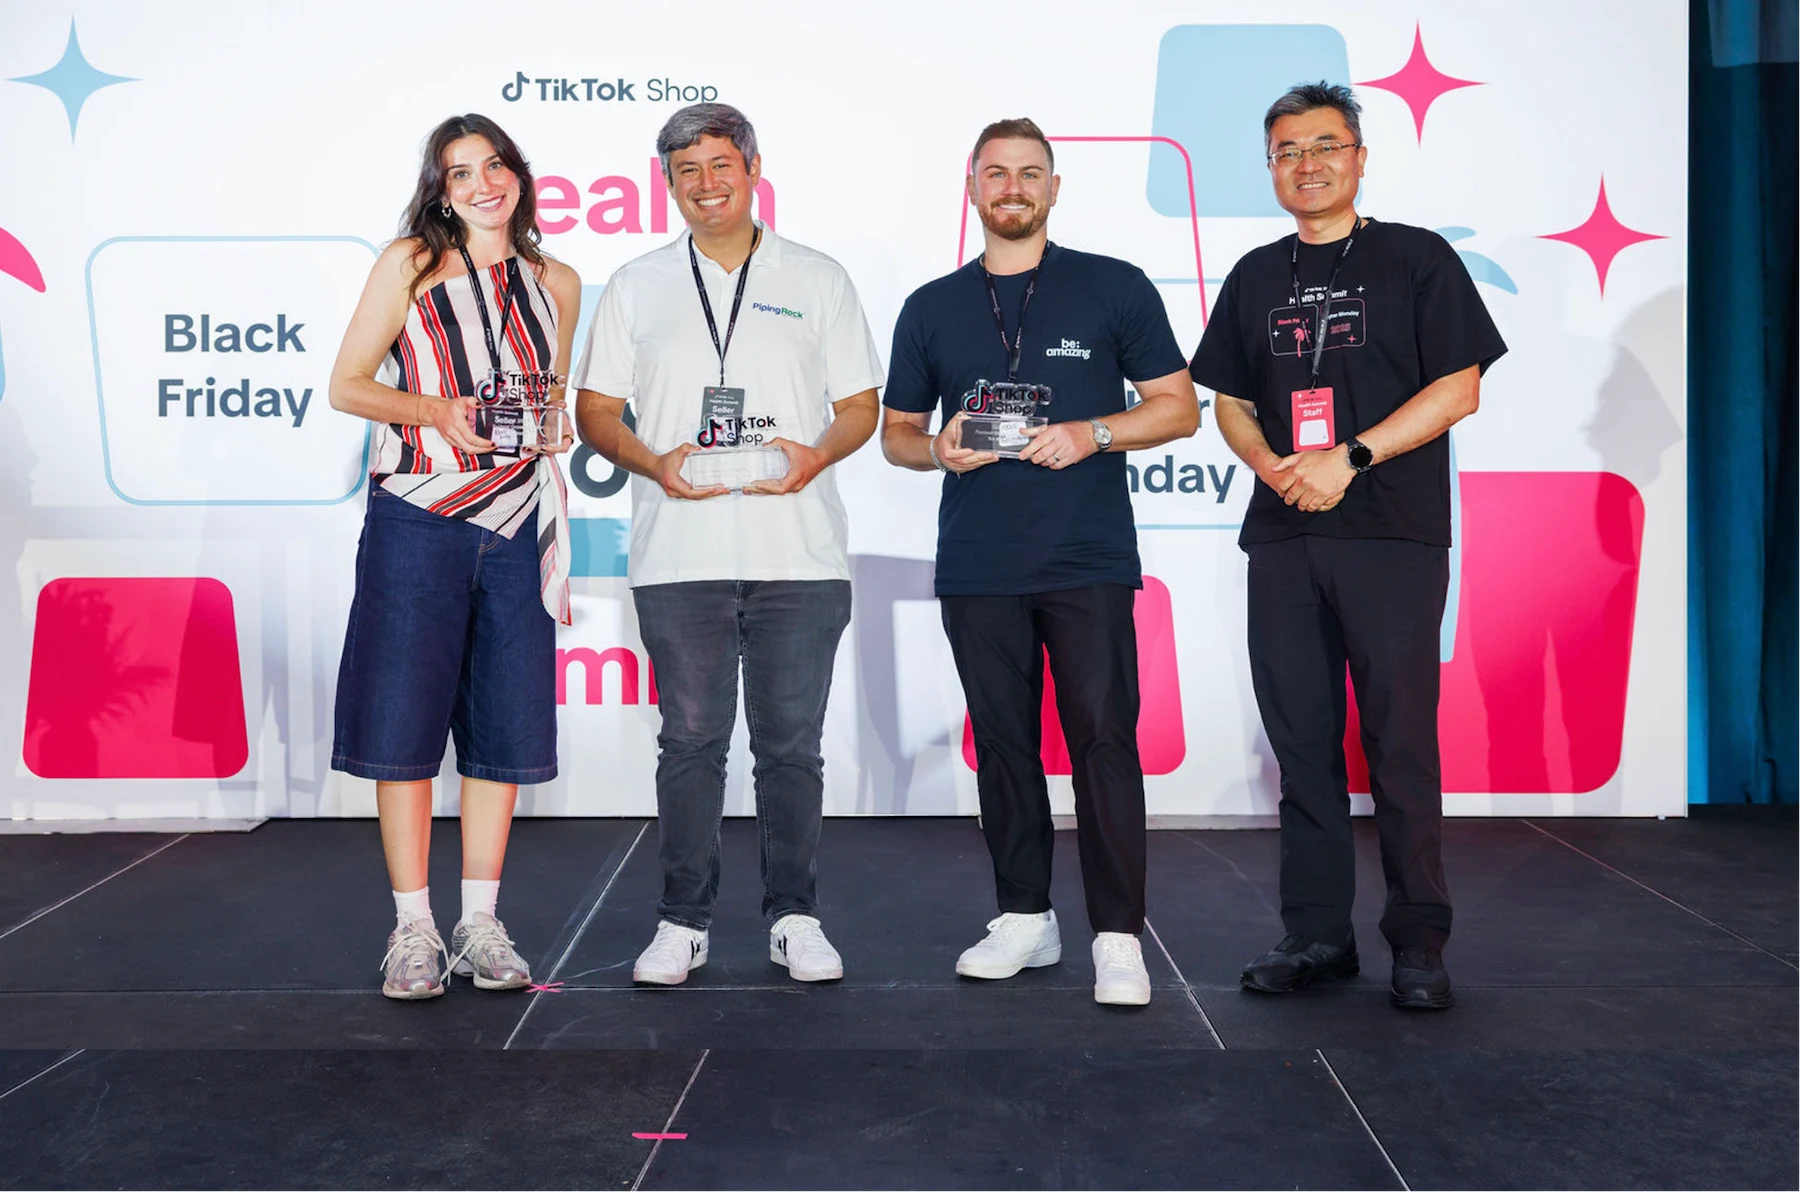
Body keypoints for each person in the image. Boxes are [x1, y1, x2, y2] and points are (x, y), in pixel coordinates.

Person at [1188, 82, 1506, 1010]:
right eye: (1287, 150)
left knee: (1399, 743)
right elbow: (1230, 401)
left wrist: (1350, 458)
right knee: (1302, 746)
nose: (1308, 164)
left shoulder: (1416, 258)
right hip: (1285, 532)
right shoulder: (1256, 274)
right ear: (1271, 167)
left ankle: (1420, 940)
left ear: (1360, 158)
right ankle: (1318, 934)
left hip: (1390, 534)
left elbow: (1459, 388)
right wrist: (1271, 465)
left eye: (1325, 146)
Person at [881, 118, 1200, 1006]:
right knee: (1004, 745)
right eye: (996, 173)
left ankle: (1118, 934)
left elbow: (1178, 408)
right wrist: (937, 449)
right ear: (972, 188)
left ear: (1054, 189)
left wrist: (1093, 432)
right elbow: (896, 434)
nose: (1012, 187)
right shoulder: (931, 306)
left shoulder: (1113, 285)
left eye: (1030, 173)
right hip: (979, 561)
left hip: (1085, 557)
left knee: (1104, 741)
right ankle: (1025, 915)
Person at [572, 103, 883, 986]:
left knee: (791, 750)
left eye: (720, 165)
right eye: (687, 171)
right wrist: (653, 461)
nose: (706, 185)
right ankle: (683, 922)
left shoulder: (817, 277)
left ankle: (795, 917)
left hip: (799, 555)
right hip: (680, 554)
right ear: (667, 183)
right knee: (689, 746)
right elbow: (594, 412)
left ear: (753, 168)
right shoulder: (637, 283)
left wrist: (814, 454)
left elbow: (860, 406)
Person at [327, 114, 581, 1000]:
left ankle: (479, 923)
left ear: (520, 175)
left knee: (504, 728)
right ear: (440, 190)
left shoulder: (557, 280)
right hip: (418, 514)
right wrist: (434, 411)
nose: (483, 184)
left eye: (496, 165)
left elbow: (549, 395)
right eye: (461, 172)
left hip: (516, 519)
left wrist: (550, 425)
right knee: (401, 723)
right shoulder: (409, 262)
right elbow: (347, 384)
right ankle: (413, 928)